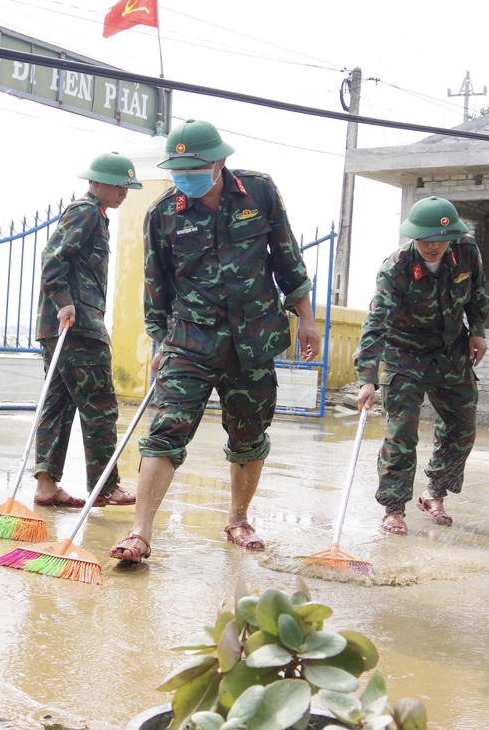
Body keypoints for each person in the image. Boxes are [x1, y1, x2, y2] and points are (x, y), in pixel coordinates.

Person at [109, 119, 319, 563]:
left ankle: (238, 519)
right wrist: (159, 342)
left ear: (221, 160)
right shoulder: (163, 213)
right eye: (178, 168)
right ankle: (140, 532)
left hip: (254, 337)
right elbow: (156, 287)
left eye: (195, 166)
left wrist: (306, 319)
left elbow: (287, 257)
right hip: (189, 338)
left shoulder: (259, 192)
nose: (185, 175)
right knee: (166, 429)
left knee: (249, 432)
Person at [353, 196, 489, 535]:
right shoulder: (395, 267)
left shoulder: (467, 251)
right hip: (405, 354)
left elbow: (477, 294)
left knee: (462, 426)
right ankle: (394, 508)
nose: (433, 246)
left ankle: (434, 494)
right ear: (414, 235)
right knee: (402, 432)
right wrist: (367, 378)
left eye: (441, 239)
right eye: (426, 239)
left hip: (450, 350)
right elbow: (376, 322)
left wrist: (478, 332)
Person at [32, 153, 142, 509]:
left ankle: (47, 485)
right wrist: (65, 300)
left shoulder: (94, 215)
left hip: (62, 327)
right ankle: (105, 486)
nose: (124, 191)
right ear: (99, 182)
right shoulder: (85, 212)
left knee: (58, 404)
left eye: (127, 186)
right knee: (100, 404)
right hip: (77, 326)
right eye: (120, 185)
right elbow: (53, 258)